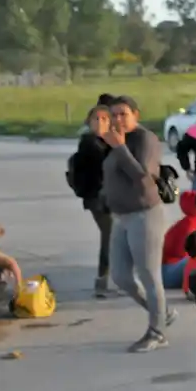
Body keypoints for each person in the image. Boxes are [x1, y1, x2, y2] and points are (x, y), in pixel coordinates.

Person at [103, 94, 175, 352]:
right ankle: (162, 312)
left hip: (144, 214)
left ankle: (157, 332)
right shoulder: (112, 140)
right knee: (121, 276)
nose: (118, 119)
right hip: (120, 216)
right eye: (114, 114)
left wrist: (120, 147)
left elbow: (142, 176)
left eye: (124, 114)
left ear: (136, 115)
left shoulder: (146, 139)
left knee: (148, 274)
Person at [70, 100, 118, 298]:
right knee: (110, 235)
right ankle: (102, 280)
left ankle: (111, 278)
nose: (100, 122)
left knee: (114, 236)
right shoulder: (89, 142)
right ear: (89, 122)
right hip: (96, 198)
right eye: (96, 119)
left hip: (112, 197)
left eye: (105, 119)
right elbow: (101, 159)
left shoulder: (109, 141)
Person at [161, 190, 196, 290]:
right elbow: (193, 256)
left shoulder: (189, 222)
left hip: (166, 272)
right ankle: (193, 288)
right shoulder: (191, 226)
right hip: (169, 274)